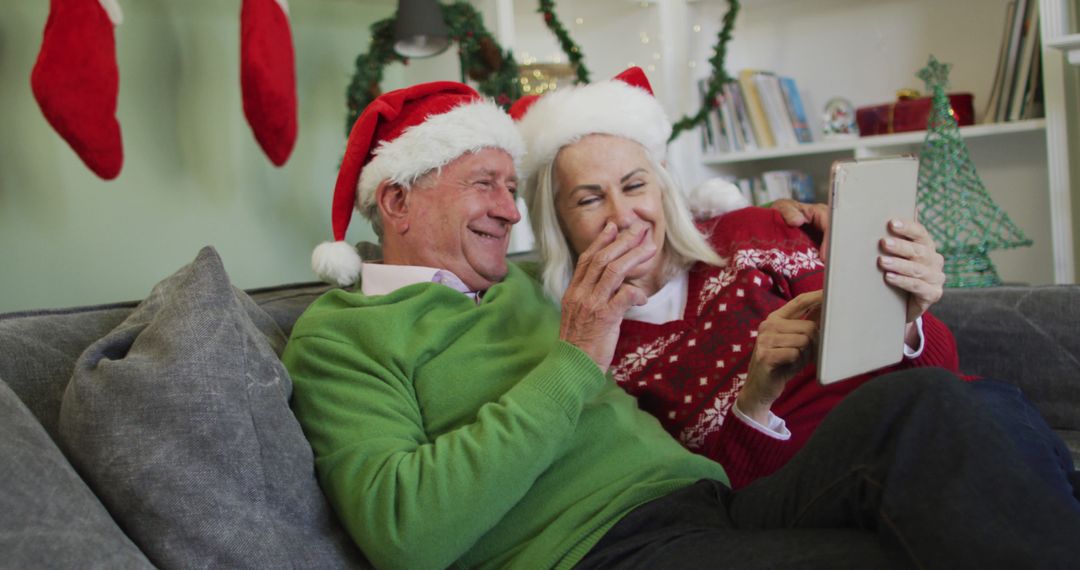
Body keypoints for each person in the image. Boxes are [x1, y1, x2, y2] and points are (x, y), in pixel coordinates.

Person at [283, 80, 1080, 570]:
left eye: (509, 186)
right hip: (604, 551)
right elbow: (405, 535)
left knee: (940, 407)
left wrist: (802, 235)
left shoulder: (514, 289)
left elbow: (646, 248)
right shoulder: (345, 334)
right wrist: (575, 357)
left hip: (715, 507)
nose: (504, 210)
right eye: (484, 184)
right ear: (396, 201)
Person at [514, 67, 1080, 498]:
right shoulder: (591, 346)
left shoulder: (754, 231)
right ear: (558, 221)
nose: (622, 214)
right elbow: (709, 494)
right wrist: (756, 396)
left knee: (985, 403)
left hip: (932, 414)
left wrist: (904, 319)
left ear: (661, 189)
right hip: (814, 478)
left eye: (634, 185)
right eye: (590, 199)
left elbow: (936, 367)